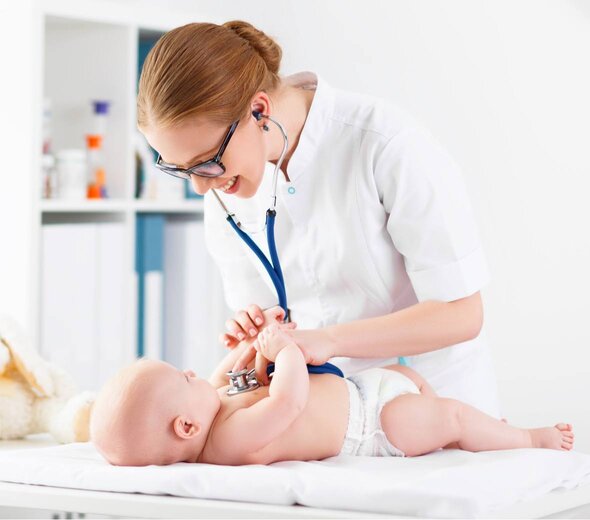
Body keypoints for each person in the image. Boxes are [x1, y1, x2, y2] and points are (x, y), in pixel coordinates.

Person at [137, 20, 500, 418]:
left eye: (206, 162)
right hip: (329, 419)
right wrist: (260, 330)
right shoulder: (224, 189)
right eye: (180, 170)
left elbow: (461, 314)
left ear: (259, 110)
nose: (200, 187)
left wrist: (330, 340)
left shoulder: (386, 144)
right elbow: (272, 327)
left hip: (436, 411)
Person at [90, 307, 574, 467]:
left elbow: (230, 375)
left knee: (416, 383)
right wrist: (286, 352)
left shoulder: (213, 406)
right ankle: (530, 438)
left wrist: (255, 339)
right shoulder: (228, 441)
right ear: (185, 427)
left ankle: (487, 432)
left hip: (365, 391)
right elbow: (288, 401)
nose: (194, 373)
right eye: (184, 377)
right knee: (450, 416)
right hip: (373, 427)